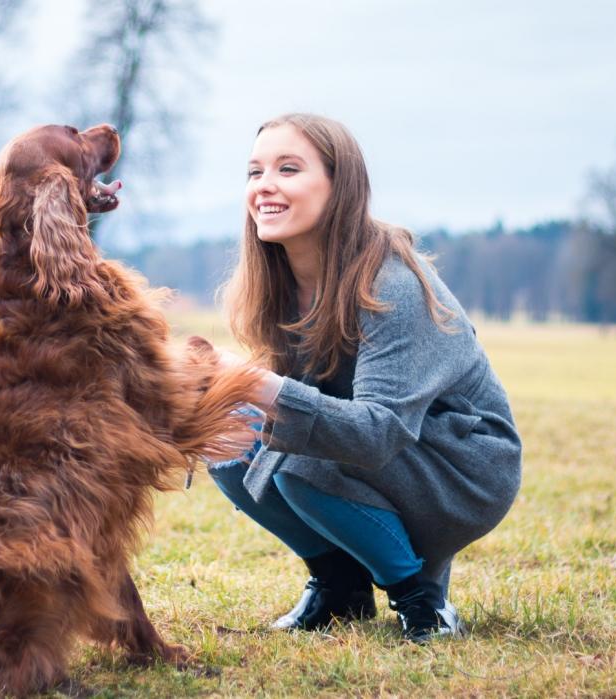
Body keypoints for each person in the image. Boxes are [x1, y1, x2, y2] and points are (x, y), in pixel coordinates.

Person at [208, 113, 522, 644]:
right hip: (383, 451)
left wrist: (254, 383)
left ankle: (422, 601)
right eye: (254, 172)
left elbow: (378, 432)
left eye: (288, 169)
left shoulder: (393, 285)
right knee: (223, 429)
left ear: (340, 186)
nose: (265, 186)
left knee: (298, 455)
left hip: (462, 465)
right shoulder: (281, 285)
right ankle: (340, 589)